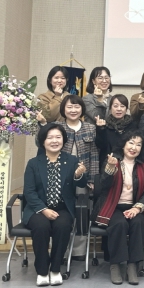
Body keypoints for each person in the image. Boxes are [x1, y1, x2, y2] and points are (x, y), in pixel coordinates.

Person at [23, 123, 87, 286]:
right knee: (41, 227)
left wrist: (79, 175)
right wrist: (43, 210)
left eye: (58, 137)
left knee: (63, 226)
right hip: (37, 209)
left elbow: (81, 184)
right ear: (43, 141)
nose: (54, 141)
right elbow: (29, 192)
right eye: (50, 137)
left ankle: (56, 269)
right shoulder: (33, 163)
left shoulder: (71, 160)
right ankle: (42, 271)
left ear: (63, 140)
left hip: (62, 207)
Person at [38, 95, 98, 260]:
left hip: (82, 177)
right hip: (60, 178)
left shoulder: (90, 128)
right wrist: (42, 124)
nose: (73, 110)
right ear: (63, 109)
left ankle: (79, 251)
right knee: (61, 212)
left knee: (81, 212)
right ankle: (60, 251)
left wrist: (92, 179)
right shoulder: (57, 128)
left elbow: (94, 155)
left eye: (77, 107)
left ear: (82, 109)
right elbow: (42, 145)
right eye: (69, 107)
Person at [91, 131, 144, 285]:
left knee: (138, 223)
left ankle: (132, 265)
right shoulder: (112, 161)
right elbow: (103, 185)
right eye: (131, 143)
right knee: (119, 224)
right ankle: (115, 265)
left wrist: (137, 208)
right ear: (123, 144)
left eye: (138, 145)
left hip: (134, 207)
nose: (134, 147)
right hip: (112, 206)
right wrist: (110, 168)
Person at [95, 94, 136, 167]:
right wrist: (100, 129)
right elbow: (100, 145)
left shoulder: (133, 126)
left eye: (122, 106)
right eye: (115, 106)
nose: (119, 109)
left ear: (126, 109)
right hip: (108, 165)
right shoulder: (105, 125)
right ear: (110, 108)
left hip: (128, 164)